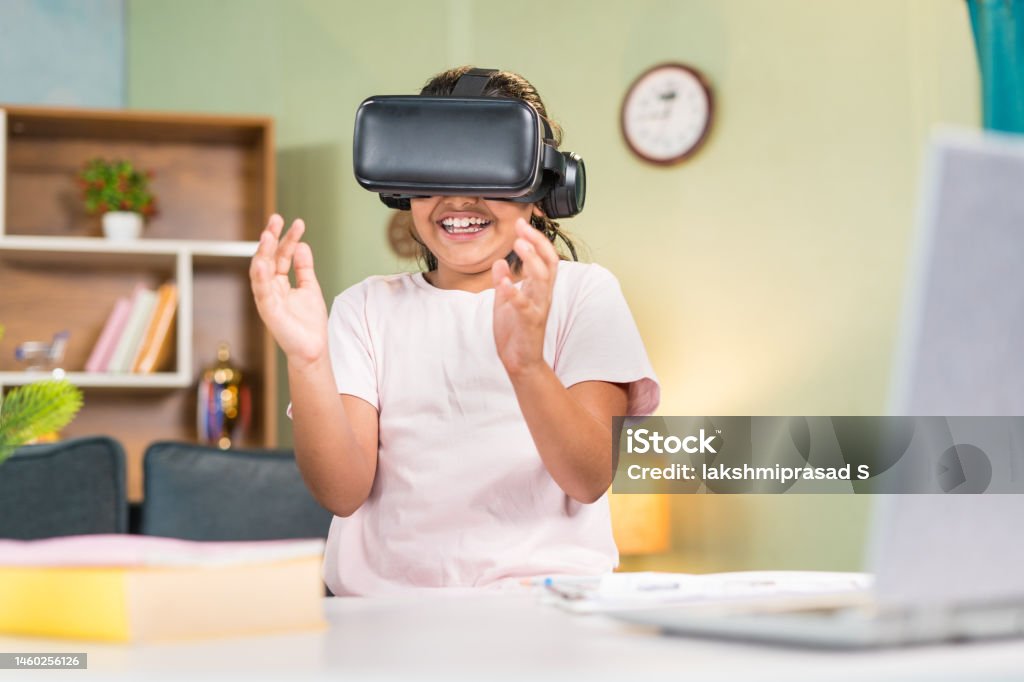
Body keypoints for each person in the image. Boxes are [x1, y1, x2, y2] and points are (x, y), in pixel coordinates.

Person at [249, 66, 660, 596]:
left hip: (540, 610)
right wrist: (307, 362)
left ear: (544, 189)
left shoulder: (584, 295)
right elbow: (341, 493)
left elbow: (588, 478)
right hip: (385, 616)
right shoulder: (365, 309)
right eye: (434, 171)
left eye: (486, 171)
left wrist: (527, 367)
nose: (458, 199)